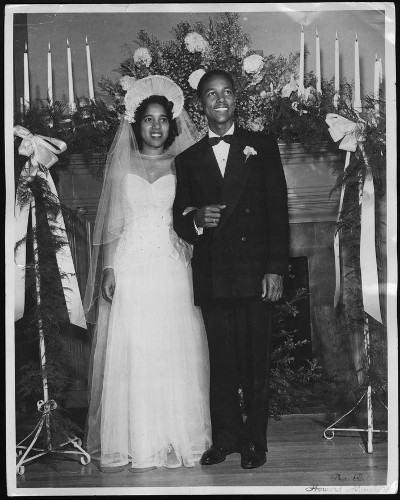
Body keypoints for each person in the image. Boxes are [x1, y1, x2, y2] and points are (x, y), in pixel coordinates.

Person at [83, 75, 211, 472]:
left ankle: (178, 437)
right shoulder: (123, 163)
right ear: (136, 125)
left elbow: (192, 216)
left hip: (172, 267)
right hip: (132, 266)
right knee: (136, 351)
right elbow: (111, 222)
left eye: (162, 119)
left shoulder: (184, 162)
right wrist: (107, 266)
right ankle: (139, 440)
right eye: (147, 120)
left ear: (172, 124)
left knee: (174, 349)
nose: (155, 126)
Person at [173, 69, 289, 470]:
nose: (219, 100)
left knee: (256, 363)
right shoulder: (187, 160)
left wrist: (275, 269)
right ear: (200, 104)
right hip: (213, 274)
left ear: (236, 99)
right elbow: (179, 218)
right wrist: (197, 219)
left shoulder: (261, 145)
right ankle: (224, 439)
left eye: (225, 93)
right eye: (210, 94)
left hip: (256, 274)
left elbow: (278, 212)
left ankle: (255, 441)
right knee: (220, 364)